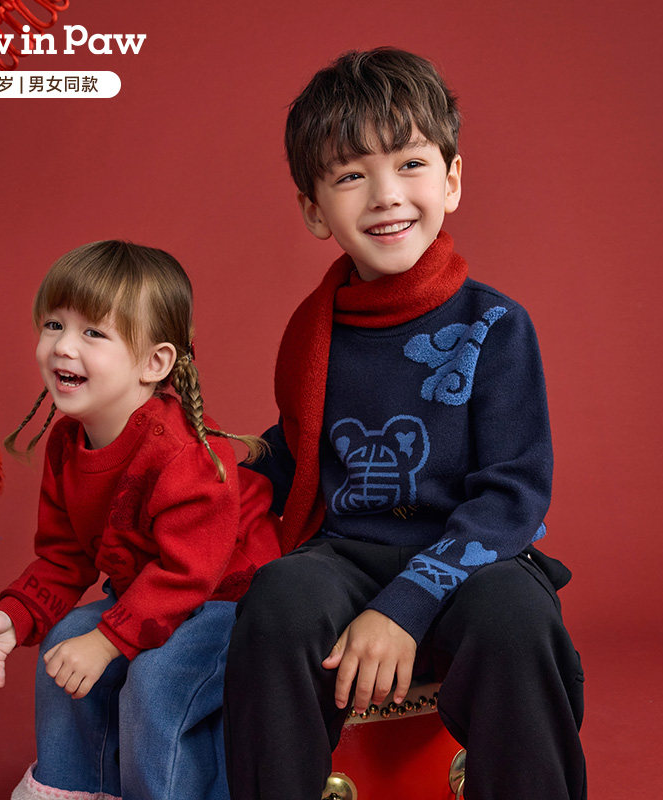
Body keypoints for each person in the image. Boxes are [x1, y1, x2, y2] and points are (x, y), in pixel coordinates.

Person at [223, 48, 586, 800]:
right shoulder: (314, 331)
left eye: (411, 164)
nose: (386, 196)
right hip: (347, 549)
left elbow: (513, 495)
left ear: (451, 180)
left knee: (515, 618)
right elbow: (306, 448)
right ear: (314, 210)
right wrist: (221, 466)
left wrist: (404, 608)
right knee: (280, 599)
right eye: (351, 176)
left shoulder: (495, 325)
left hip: (472, 553)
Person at [0, 240, 281, 800]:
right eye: (54, 325)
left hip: (233, 600)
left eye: (93, 333)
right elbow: (64, 556)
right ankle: (76, 790)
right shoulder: (67, 444)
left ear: (154, 363)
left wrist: (109, 641)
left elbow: (187, 576)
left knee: (155, 682)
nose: (63, 346)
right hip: (152, 597)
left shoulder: (183, 455)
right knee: (64, 642)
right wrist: (15, 614)